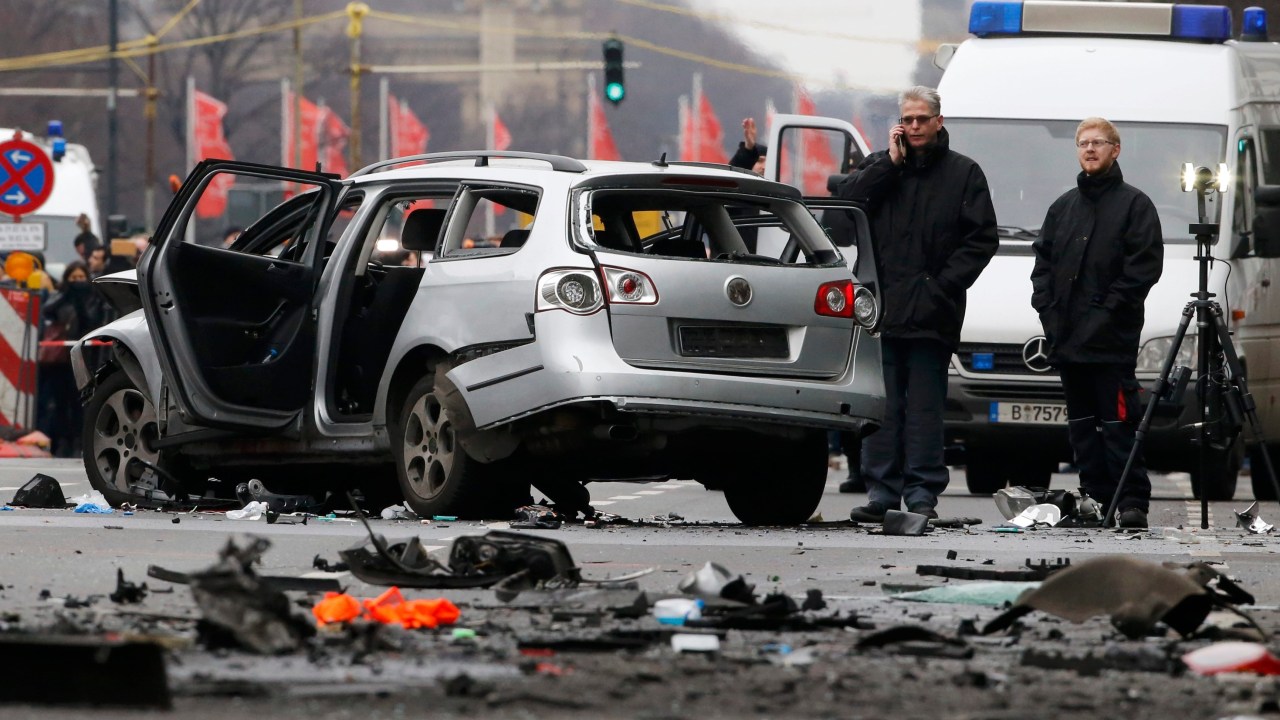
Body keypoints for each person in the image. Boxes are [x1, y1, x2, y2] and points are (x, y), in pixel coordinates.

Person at [836, 86, 998, 522]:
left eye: (921, 119)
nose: (913, 127)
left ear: (939, 121)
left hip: (932, 314)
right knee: (881, 410)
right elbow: (842, 214)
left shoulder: (964, 174)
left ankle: (923, 496)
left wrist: (940, 285)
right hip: (883, 314)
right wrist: (887, 165)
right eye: (906, 120)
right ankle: (881, 495)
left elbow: (981, 239)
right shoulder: (880, 167)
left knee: (925, 412)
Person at [1030, 117, 1163, 529]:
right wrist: (1049, 314)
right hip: (1067, 341)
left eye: (1098, 143)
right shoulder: (1063, 206)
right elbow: (1044, 267)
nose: (1089, 149)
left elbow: (1142, 270)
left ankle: (1131, 501)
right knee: (1082, 427)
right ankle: (1095, 498)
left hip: (1112, 342)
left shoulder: (1135, 206)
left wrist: (1105, 314)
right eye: (1083, 143)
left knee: (1119, 423)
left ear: (1115, 150)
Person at [36, 261, 107, 457]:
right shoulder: (61, 295)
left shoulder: (94, 298)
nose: (77, 281)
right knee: (59, 402)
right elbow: (48, 311)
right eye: (73, 278)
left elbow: (90, 322)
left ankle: (79, 441)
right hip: (60, 360)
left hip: (84, 359)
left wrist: (79, 301)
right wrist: (68, 294)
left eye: (80, 277)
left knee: (79, 403)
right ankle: (62, 441)